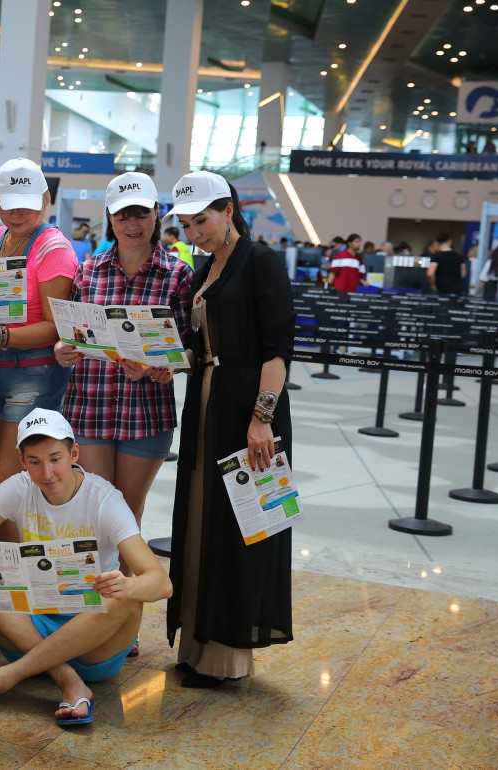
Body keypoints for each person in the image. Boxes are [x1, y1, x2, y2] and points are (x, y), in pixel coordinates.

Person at [0, 409, 172, 724]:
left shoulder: (104, 499)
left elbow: (161, 582)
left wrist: (127, 585)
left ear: (74, 454)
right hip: (29, 632)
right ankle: (67, 679)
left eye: (55, 459)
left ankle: (2, 678)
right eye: (35, 462)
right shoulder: (18, 488)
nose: (47, 473)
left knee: (126, 599)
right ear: (22, 460)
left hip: (94, 644)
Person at [167, 170, 294, 688]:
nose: (194, 233)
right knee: (203, 518)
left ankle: (227, 656)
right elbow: (199, 348)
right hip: (206, 404)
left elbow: (278, 349)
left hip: (248, 409)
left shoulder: (261, 262)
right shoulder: (203, 269)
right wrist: (158, 364)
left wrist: (262, 419)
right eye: (186, 225)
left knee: (242, 526)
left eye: (202, 221)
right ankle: (197, 644)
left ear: (228, 210)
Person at [53, 172, 192, 540]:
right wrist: (63, 350)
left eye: (141, 215)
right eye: (122, 216)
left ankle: (126, 581)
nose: (133, 225)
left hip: (146, 413)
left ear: (157, 213)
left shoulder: (177, 275)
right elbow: (70, 336)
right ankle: (100, 581)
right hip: (90, 407)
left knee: (127, 517)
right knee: (94, 514)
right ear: (110, 218)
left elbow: (188, 349)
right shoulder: (87, 272)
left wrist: (162, 366)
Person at [0, 158, 77, 504]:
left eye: (27, 204)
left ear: (45, 200)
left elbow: (56, 327)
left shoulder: (53, 248)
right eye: (8, 204)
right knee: (19, 482)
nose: (17, 213)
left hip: (34, 373)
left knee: (1, 480)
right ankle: (26, 539)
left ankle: (11, 542)